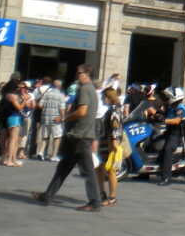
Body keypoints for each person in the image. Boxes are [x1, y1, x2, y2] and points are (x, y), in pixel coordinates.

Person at [32, 64, 102, 211]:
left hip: (79, 136)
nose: (76, 74)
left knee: (88, 170)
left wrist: (64, 118)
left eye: (79, 72)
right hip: (79, 135)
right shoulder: (91, 90)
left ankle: (95, 202)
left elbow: (82, 112)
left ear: (87, 74)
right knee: (63, 167)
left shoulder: (84, 89)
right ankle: (47, 196)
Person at [96, 87, 123, 206]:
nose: (102, 99)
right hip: (104, 142)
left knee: (111, 170)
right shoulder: (112, 109)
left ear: (108, 98)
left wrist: (114, 142)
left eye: (103, 97)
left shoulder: (114, 110)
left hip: (109, 143)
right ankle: (101, 193)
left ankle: (112, 196)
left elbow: (115, 127)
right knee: (100, 167)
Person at [157, 86, 185, 186]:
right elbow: (161, 114)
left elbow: (176, 121)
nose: (166, 98)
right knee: (152, 145)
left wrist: (163, 120)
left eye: (168, 97)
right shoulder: (170, 107)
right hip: (168, 132)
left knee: (168, 150)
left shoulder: (181, 109)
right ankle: (144, 174)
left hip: (177, 134)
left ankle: (167, 177)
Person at [0, 74, 23, 167]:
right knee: (13, 139)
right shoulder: (12, 96)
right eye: (18, 87)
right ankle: (10, 159)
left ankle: (8, 158)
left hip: (7, 116)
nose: (19, 89)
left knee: (8, 138)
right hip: (14, 116)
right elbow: (19, 108)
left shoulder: (6, 94)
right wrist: (24, 101)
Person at [37, 80, 66, 161]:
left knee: (45, 136)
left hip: (45, 117)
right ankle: (54, 155)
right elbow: (62, 109)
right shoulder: (61, 96)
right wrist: (62, 117)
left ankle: (41, 152)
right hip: (56, 118)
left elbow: (40, 105)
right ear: (60, 86)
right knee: (56, 137)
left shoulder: (46, 94)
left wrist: (46, 109)